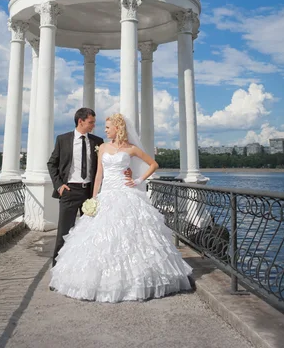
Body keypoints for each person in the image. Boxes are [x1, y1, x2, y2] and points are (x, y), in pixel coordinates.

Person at [49, 113, 193, 302]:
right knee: (98, 237)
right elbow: (99, 175)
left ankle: (133, 281)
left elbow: (153, 164)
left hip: (126, 193)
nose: (105, 129)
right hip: (106, 194)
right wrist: (94, 199)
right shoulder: (102, 147)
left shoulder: (131, 149)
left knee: (132, 236)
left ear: (118, 128)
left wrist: (137, 180)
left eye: (108, 127)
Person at [48, 108, 131, 266]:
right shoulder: (63, 139)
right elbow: (52, 164)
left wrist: (126, 169)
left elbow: (108, 163)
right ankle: (57, 271)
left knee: (90, 234)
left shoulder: (97, 141)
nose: (94, 125)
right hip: (69, 191)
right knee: (64, 234)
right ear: (81, 121)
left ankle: (85, 269)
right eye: (91, 122)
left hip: (90, 193)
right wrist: (59, 186)